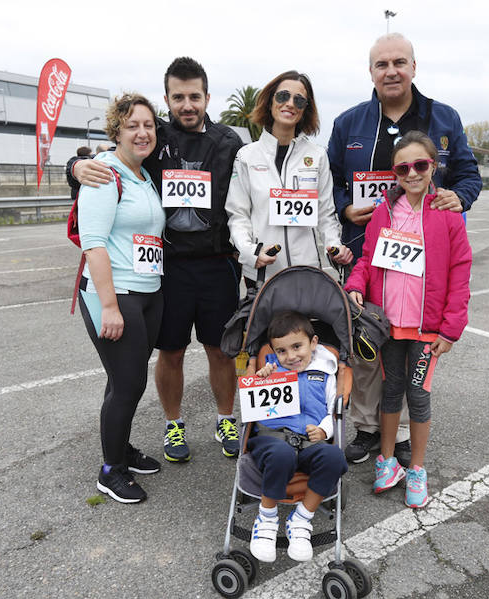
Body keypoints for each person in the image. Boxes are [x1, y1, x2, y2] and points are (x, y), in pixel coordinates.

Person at [68, 57, 244, 463]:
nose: (187, 104)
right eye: (178, 97)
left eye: (194, 97)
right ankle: (173, 425)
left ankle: (225, 418)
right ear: (167, 99)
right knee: (173, 351)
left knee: (220, 349)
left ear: (207, 97)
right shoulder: (152, 135)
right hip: (170, 268)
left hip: (218, 265)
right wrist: (74, 166)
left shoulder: (229, 141)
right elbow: (109, 159)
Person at [328, 33, 482, 467]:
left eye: (399, 62)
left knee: (409, 361)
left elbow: (470, 174)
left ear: (414, 66)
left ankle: (401, 442)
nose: (391, 70)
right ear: (371, 72)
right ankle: (367, 430)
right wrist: (344, 207)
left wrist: (460, 197)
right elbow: (332, 182)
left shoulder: (444, 117)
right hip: (366, 254)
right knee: (367, 352)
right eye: (382, 64)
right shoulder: (348, 123)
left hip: (424, 272)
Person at [344, 131, 471, 508]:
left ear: (434, 166)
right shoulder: (384, 211)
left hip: (426, 328)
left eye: (420, 165)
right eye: (403, 167)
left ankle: (416, 467)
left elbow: (461, 272)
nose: (412, 173)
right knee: (390, 392)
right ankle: (387, 462)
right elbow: (367, 258)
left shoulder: (448, 215)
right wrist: (355, 283)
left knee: (418, 396)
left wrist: (450, 329)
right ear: (395, 172)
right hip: (388, 324)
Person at [77, 92, 166, 504]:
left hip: (147, 289)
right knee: (128, 383)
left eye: (148, 124)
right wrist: (109, 306)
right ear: (117, 131)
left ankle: (122, 449)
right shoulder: (103, 173)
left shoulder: (142, 174)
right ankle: (110, 470)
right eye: (132, 125)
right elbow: (93, 244)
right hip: (115, 294)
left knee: (126, 380)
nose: (142, 132)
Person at [226, 70, 353, 290]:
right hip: (262, 273)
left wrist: (334, 246)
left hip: (308, 274)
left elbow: (325, 214)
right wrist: (250, 252)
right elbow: (238, 214)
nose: (290, 104)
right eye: (283, 96)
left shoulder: (318, 156)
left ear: (306, 109)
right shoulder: (246, 156)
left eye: (299, 99)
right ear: (270, 101)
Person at [247, 311, 348, 563]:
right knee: (281, 454)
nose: (290, 356)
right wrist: (260, 381)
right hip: (272, 439)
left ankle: (302, 517)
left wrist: (326, 430)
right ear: (273, 350)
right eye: (282, 351)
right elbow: (252, 401)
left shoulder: (325, 372)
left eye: (297, 347)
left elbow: (332, 409)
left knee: (334, 457)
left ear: (313, 343)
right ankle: (267, 517)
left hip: (310, 440)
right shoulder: (270, 369)